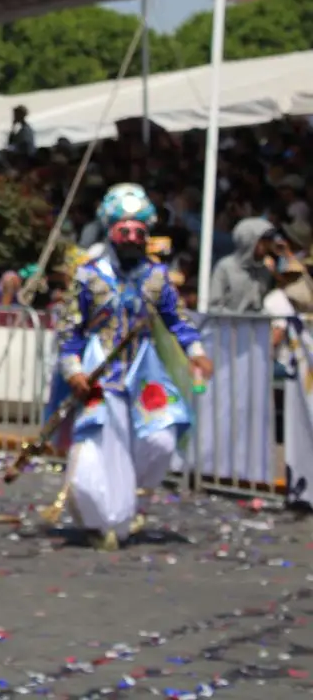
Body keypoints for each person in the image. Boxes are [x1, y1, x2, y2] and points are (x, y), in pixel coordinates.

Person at [50, 184, 213, 550]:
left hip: (142, 373)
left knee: (161, 437)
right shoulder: (88, 275)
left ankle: (130, 501)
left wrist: (197, 351)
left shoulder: (156, 277)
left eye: (139, 231)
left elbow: (178, 320)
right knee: (98, 448)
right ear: (110, 231)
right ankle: (102, 519)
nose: (132, 238)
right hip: (99, 374)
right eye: (124, 230)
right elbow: (70, 330)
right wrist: (73, 369)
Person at [208, 217, 279, 312]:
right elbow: (214, 306)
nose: (267, 245)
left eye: (269, 240)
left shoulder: (265, 270)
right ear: (248, 240)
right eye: (263, 240)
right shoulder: (225, 267)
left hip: (256, 325)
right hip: (227, 324)